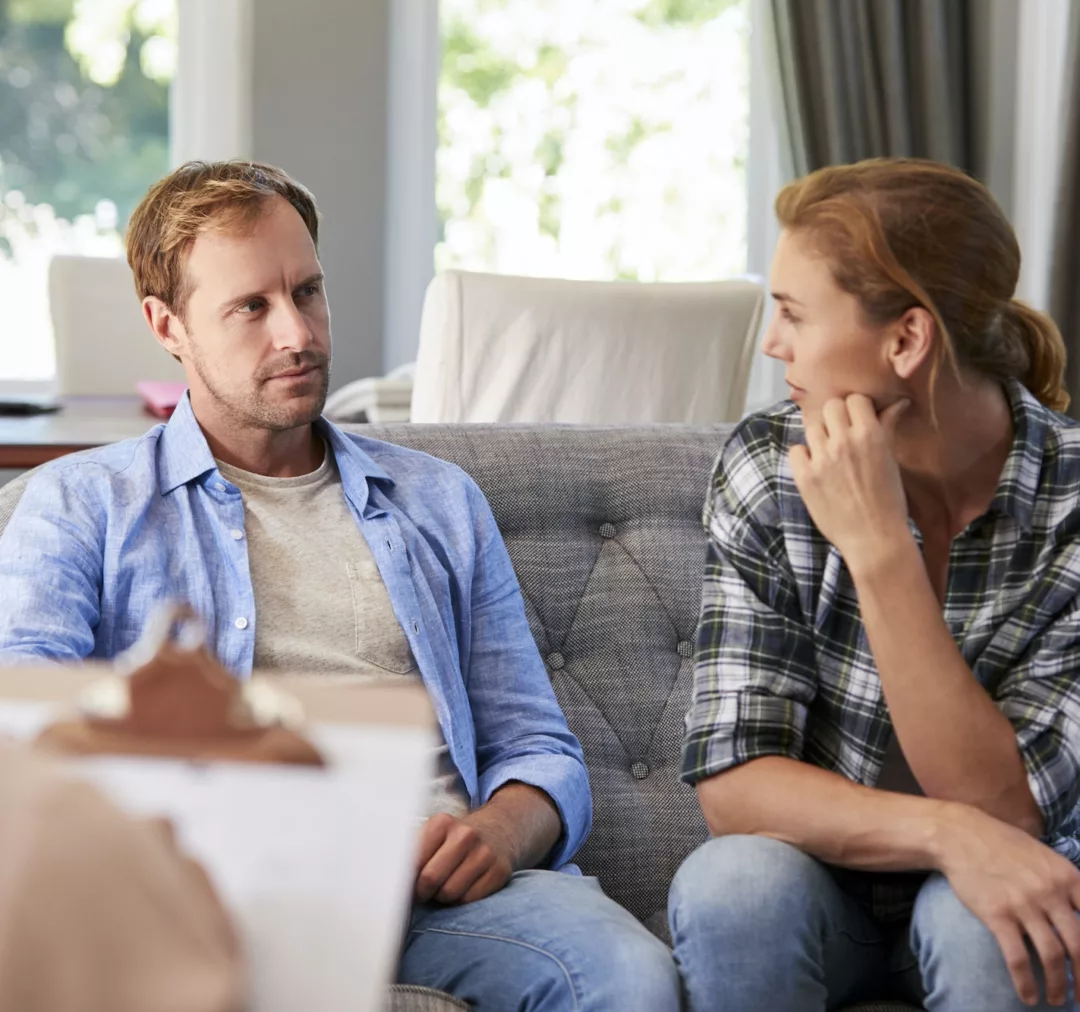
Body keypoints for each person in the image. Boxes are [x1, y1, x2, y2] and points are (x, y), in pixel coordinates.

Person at [0, 160, 680, 1011]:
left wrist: (499, 832)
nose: (298, 334)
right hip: (212, 896)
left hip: (434, 896)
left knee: (627, 976)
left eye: (308, 292)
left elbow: (539, 747)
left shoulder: (437, 500)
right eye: (251, 307)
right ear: (167, 325)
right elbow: (28, 752)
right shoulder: (78, 505)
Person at [669, 158, 1080, 1011]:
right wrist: (945, 833)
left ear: (906, 340)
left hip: (1017, 876)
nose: (773, 343)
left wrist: (879, 549)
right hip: (826, 888)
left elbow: (1008, 808)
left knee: (985, 927)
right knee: (734, 886)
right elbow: (737, 781)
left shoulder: (1070, 501)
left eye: (792, 313)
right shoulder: (768, 464)